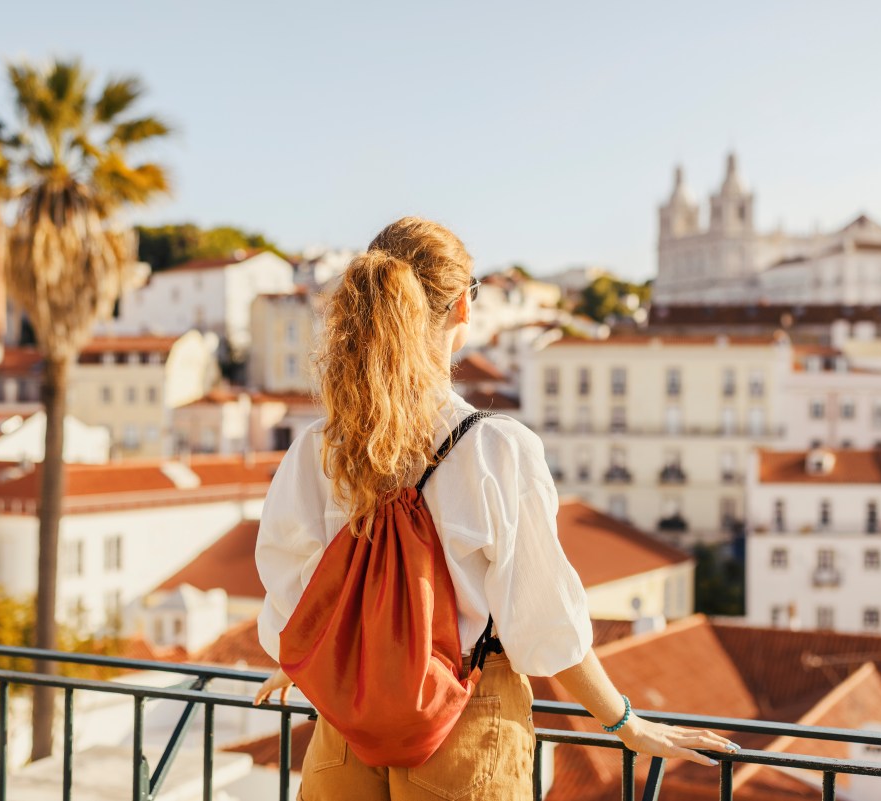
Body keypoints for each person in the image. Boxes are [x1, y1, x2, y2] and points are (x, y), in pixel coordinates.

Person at [253, 217, 738, 799]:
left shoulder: (318, 447)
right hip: (464, 718)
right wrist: (622, 722)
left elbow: (291, 585)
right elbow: (541, 617)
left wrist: (312, 662)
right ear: (463, 306)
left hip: (346, 724)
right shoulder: (494, 449)